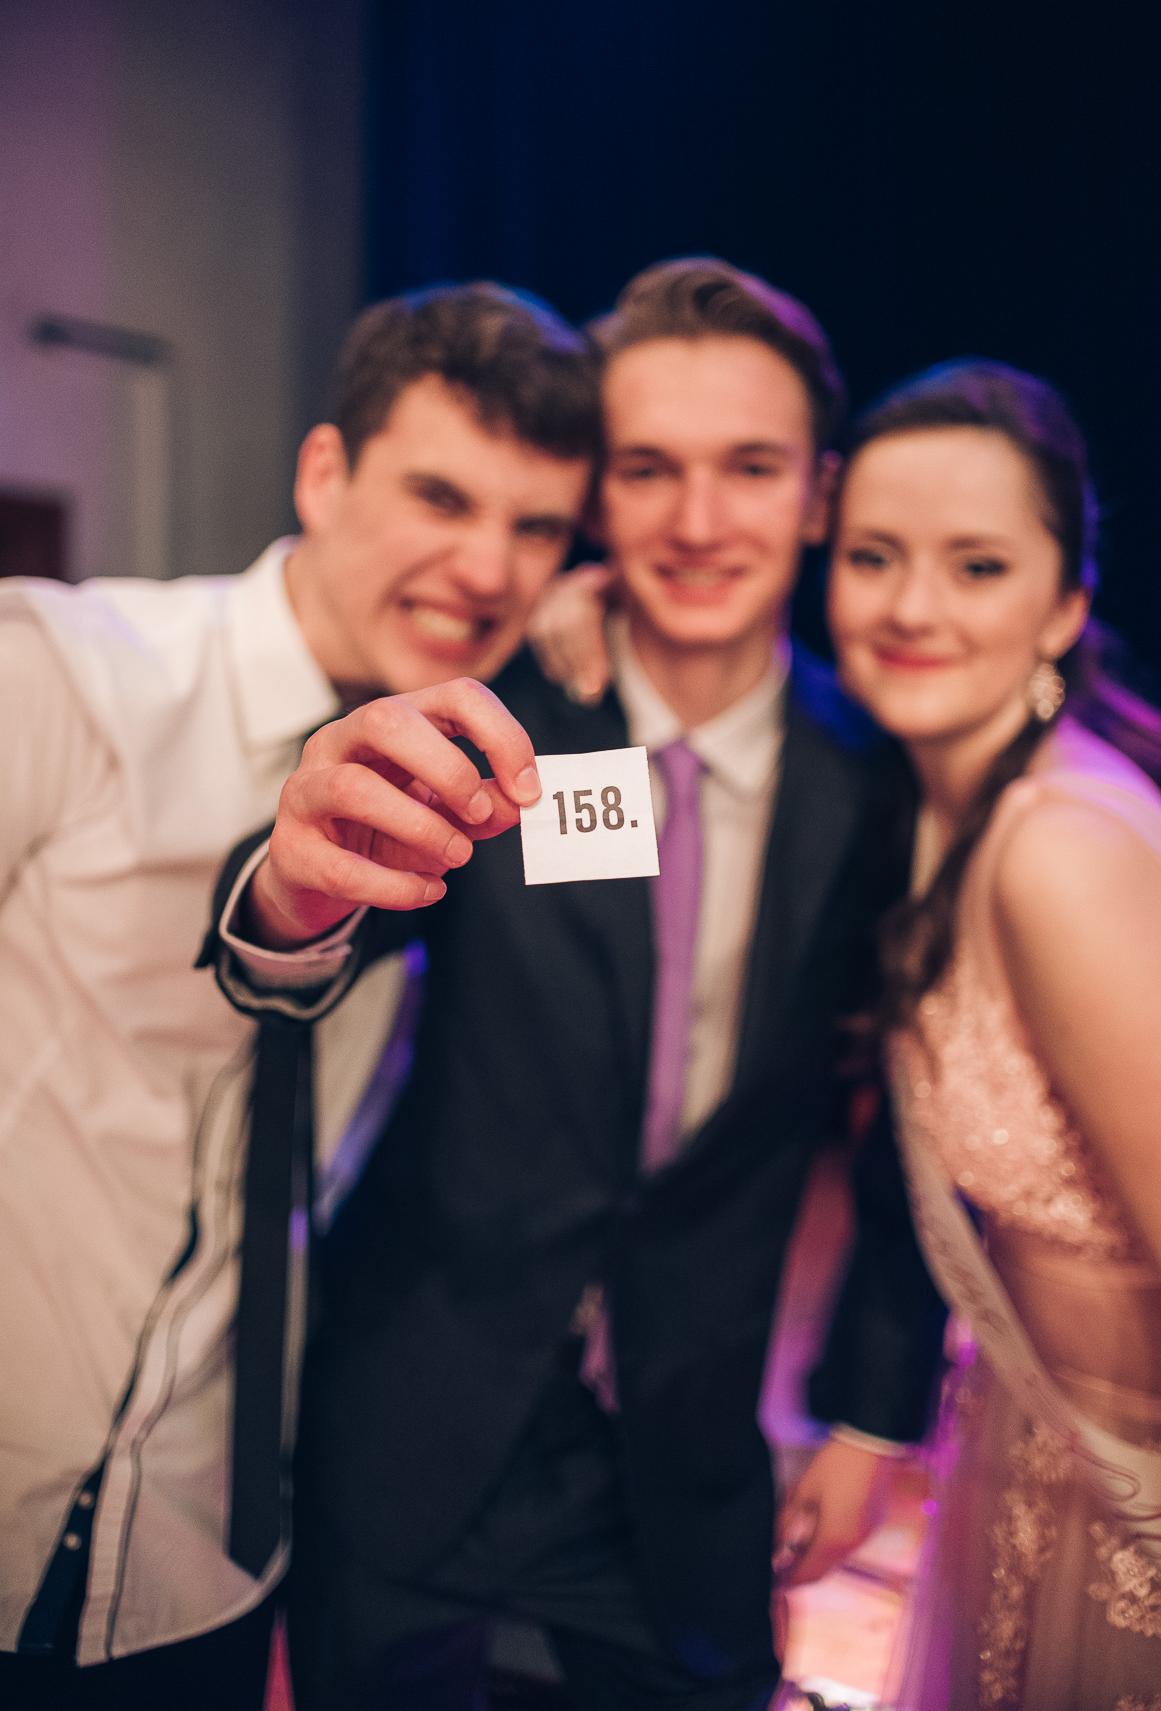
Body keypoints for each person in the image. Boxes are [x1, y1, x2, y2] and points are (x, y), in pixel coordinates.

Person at [208, 258, 947, 1711]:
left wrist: (873, 1417)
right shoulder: (501, 718)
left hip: (685, 1462)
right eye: (647, 470)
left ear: (819, 494)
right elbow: (315, 920)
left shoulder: (878, 780)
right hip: (416, 1437)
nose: (696, 522)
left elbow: (924, 1131)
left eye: (749, 468)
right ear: (598, 499)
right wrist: (284, 899)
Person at [0, 281, 600, 1709]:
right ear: (324, 474)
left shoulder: (502, 778)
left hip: (210, 1553)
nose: (486, 568)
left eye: (535, 530)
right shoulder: (63, 673)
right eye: (441, 496)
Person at [822, 359, 1161, 1708]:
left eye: (975, 567)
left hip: (1142, 1498)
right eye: (873, 557)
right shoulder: (945, 802)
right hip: (1024, 1441)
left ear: (1066, 605)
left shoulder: (1060, 852)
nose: (911, 608)